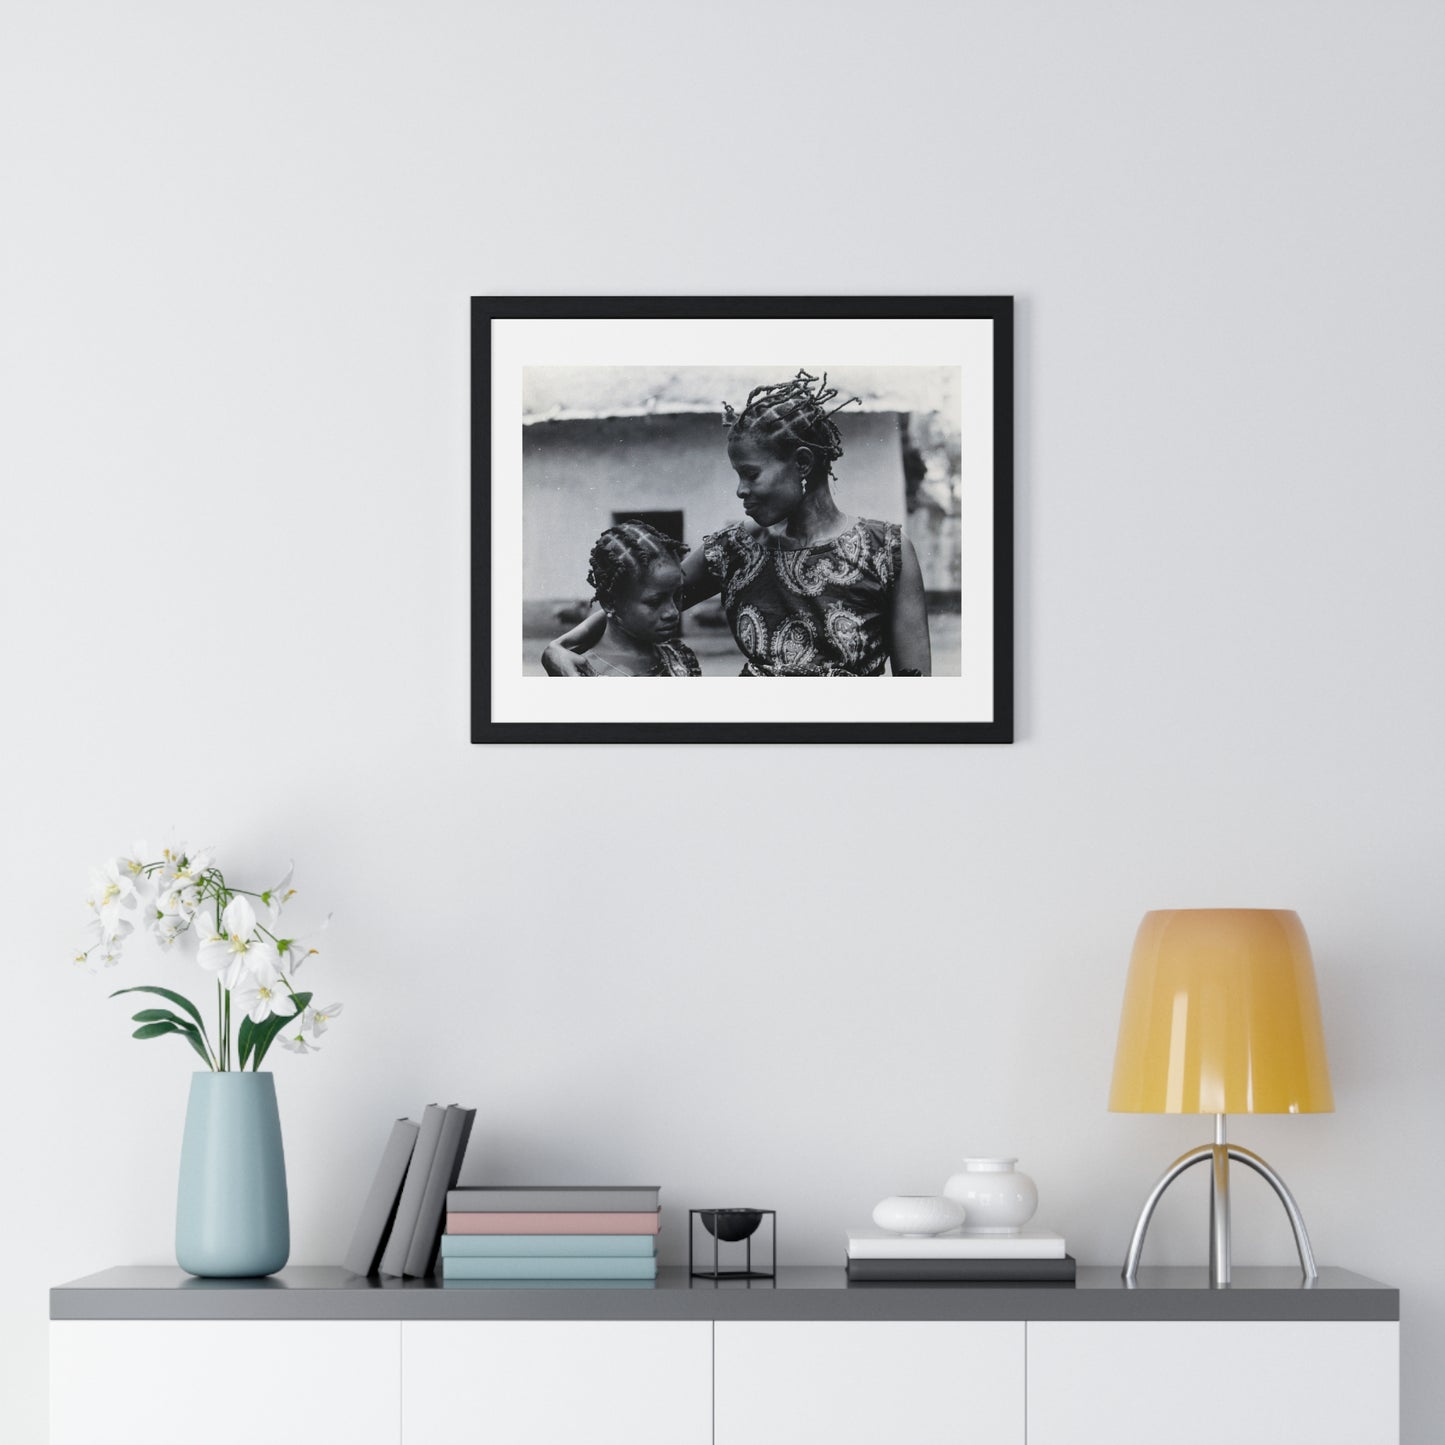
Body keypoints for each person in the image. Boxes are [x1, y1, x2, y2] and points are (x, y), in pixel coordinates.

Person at [543, 370, 931, 677]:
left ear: (802, 463)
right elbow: (636, 598)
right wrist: (558, 649)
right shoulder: (733, 550)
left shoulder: (887, 553)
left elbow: (915, 691)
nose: (740, 490)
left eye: (750, 474)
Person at [567, 521, 701, 677]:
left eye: (677, 596)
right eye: (655, 602)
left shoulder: (681, 657)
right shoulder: (578, 673)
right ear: (609, 603)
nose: (673, 612)